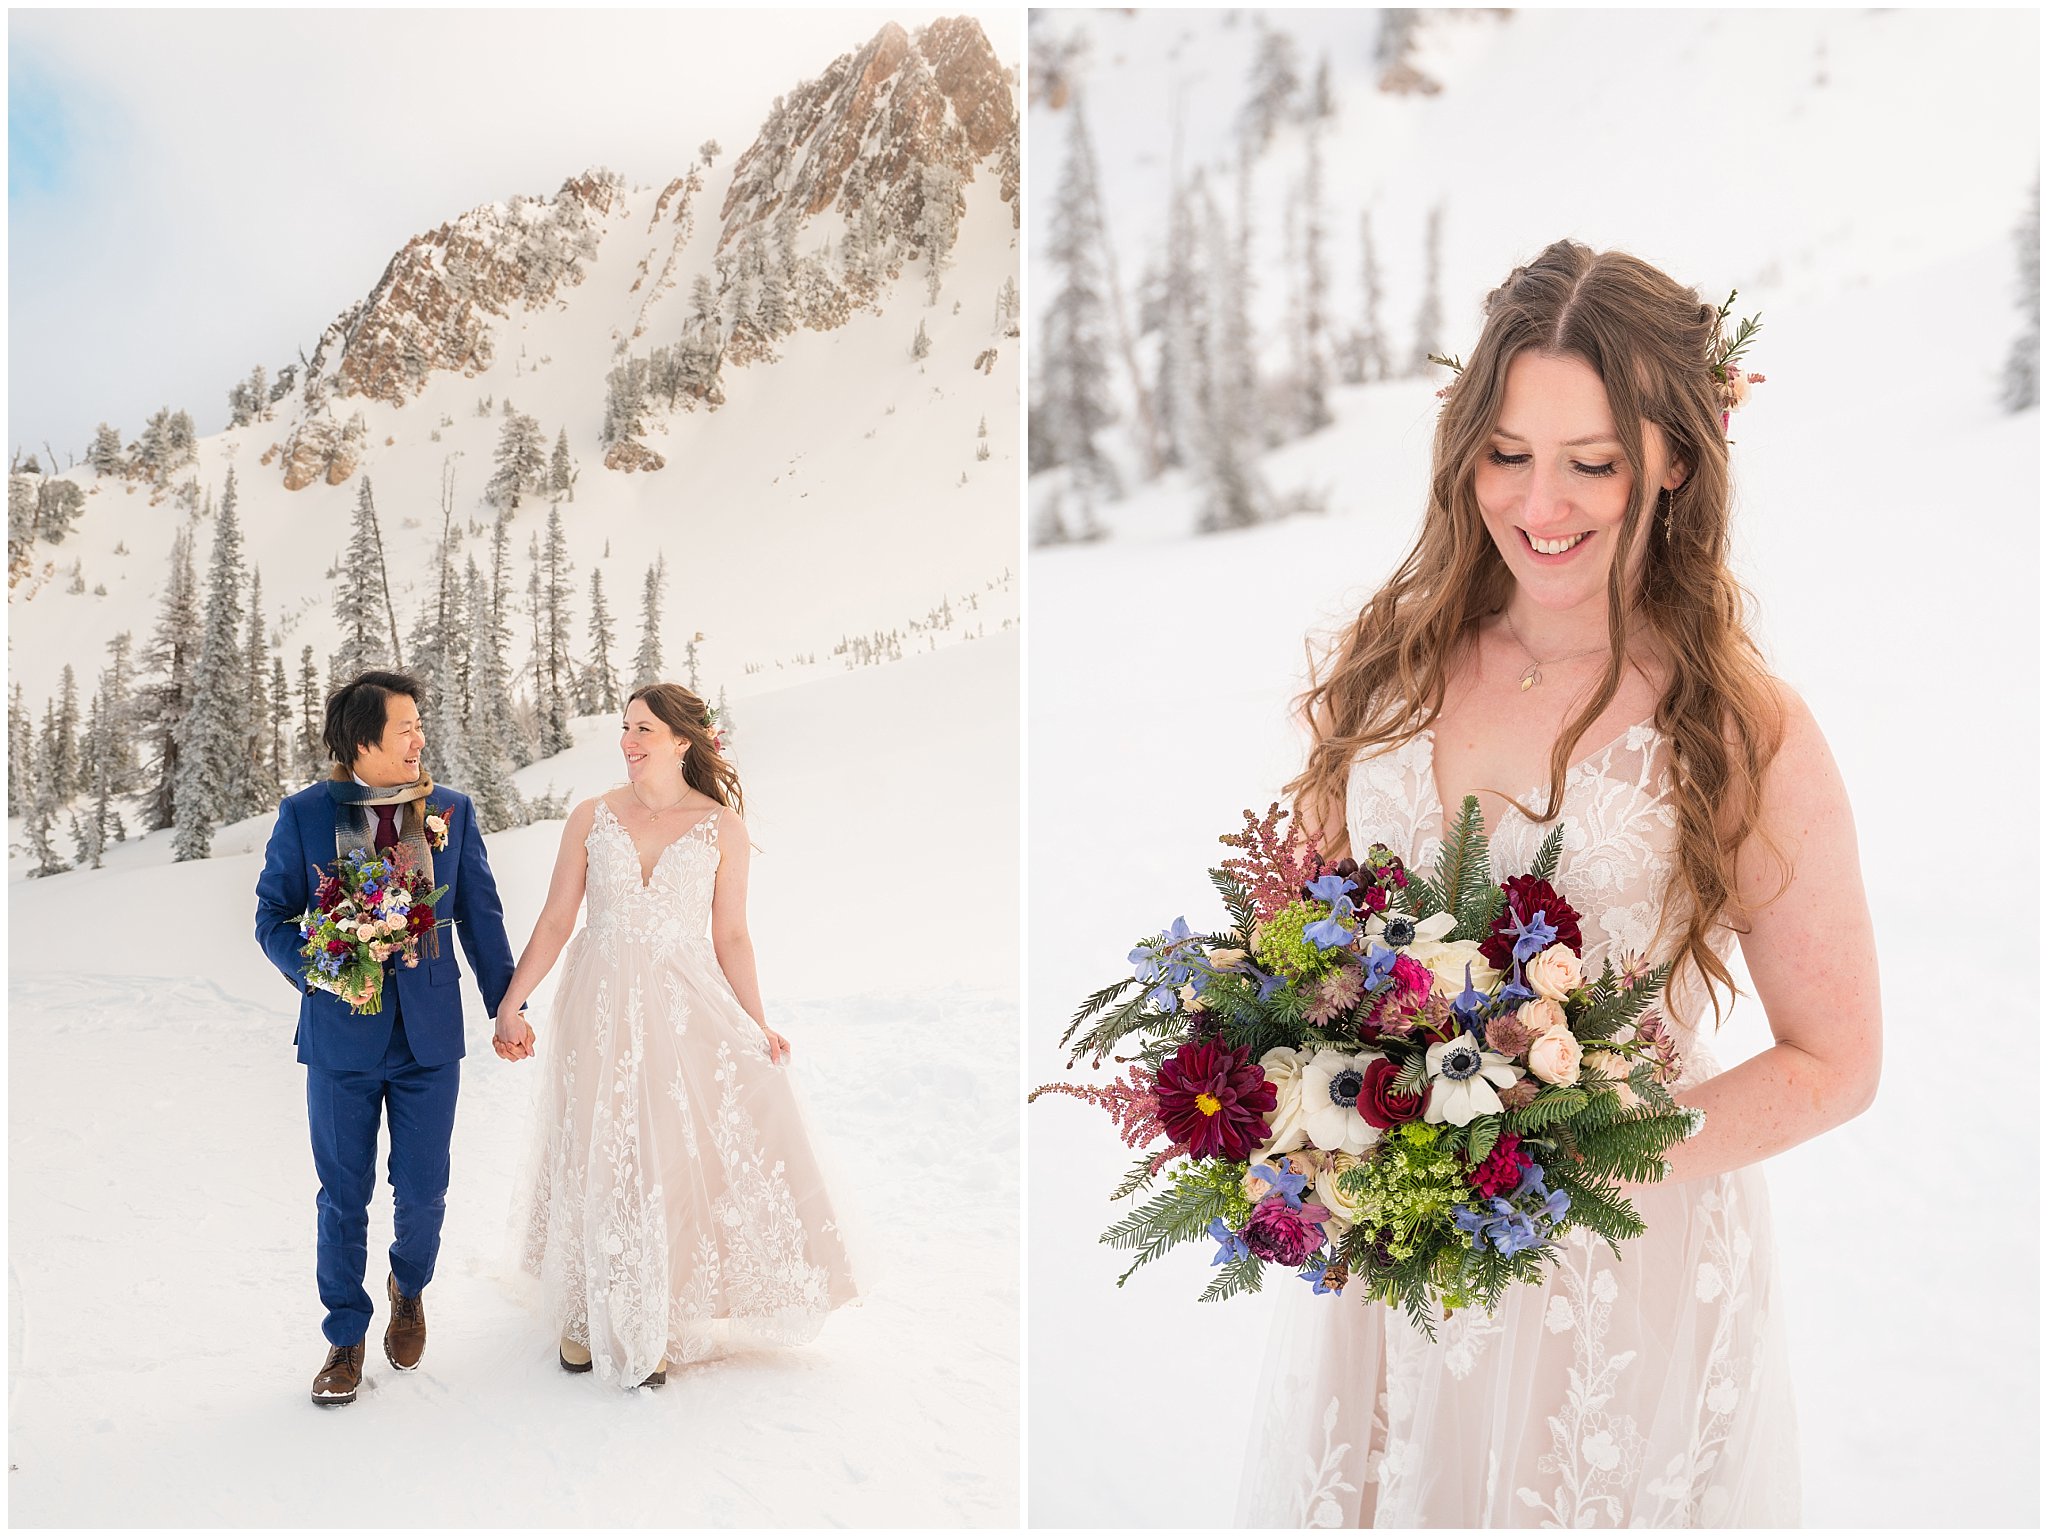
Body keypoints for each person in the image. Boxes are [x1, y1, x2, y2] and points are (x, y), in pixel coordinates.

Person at [1236, 241, 1881, 1526]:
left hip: (1617, 1282)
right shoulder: (1377, 675)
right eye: (1506, 454)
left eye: (1592, 462)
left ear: (1674, 461)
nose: (1542, 503)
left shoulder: (1735, 725)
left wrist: (1578, 1160)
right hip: (1399, 1264)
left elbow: (1835, 1060)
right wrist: (1291, 1102)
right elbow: (1298, 948)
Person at [499, 682, 857, 1387]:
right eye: (626, 728)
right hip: (596, 999)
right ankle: (582, 1307)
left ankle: (650, 1314)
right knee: (597, 1138)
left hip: (682, 1004)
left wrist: (756, 1021)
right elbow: (554, 920)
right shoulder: (589, 816)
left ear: (683, 741)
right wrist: (513, 1003)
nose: (629, 741)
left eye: (644, 730)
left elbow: (730, 934)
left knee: (661, 1150)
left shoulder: (720, 826)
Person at [254, 670, 521, 1407]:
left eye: (419, 725)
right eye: (406, 727)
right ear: (363, 741)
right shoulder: (305, 814)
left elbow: (483, 920)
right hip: (340, 1041)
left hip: (430, 1039)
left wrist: (507, 1006)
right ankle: (344, 1335)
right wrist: (321, 965)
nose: (419, 739)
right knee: (343, 1194)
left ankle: (410, 1283)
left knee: (425, 1190)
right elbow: (272, 916)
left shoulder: (451, 812)